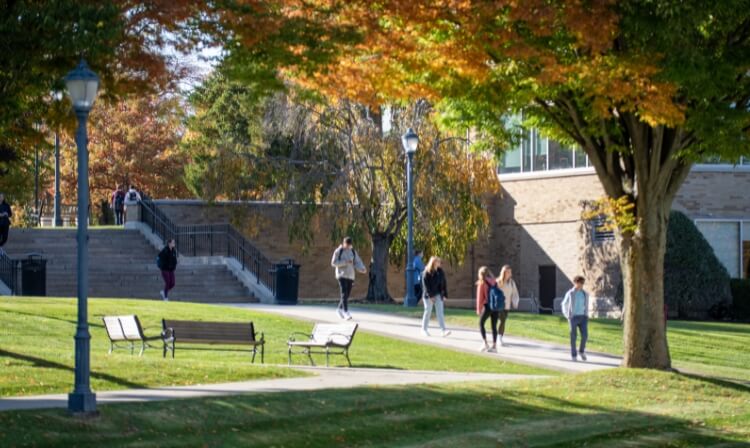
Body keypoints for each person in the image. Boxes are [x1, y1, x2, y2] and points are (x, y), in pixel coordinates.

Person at [331, 237, 366, 320]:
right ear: (344, 243)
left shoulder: (353, 251)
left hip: (350, 275)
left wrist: (362, 268)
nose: (348, 247)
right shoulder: (338, 251)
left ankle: (339, 309)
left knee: (347, 294)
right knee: (343, 292)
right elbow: (333, 263)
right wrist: (345, 262)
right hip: (341, 275)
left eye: (349, 245)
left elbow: (357, 262)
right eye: (347, 245)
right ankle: (346, 312)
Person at [561, 275, 589, 362]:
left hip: (583, 317)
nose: (581, 285)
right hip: (573, 318)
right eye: (579, 283)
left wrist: (586, 314)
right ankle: (574, 355)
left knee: (585, 335)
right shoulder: (570, 293)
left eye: (582, 283)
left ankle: (581, 351)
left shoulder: (585, 294)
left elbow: (586, 305)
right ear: (575, 283)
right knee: (573, 337)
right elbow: (563, 304)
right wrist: (567, 315)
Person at [421, 256, 451, 337]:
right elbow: (426, 286)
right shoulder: (426, 272)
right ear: (433, 263)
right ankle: (424, 329)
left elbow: (444, 283)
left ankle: (443, 330)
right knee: (428, 311)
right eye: (438, 262)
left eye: (439, 262)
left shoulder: (440, 271)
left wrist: (445, 294)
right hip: (428, 295)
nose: (439, 263)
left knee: (440, 312)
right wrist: (430, 296)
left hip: (438, 294)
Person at [476, 266, 500, 352]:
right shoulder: (495, 281)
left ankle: (485, 343)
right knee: (494, 326)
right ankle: (494, 346)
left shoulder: (482, 283)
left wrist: (478, 309)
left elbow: (480, 298)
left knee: (481, 323)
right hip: (496, 306)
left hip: (488, 306)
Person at [496, 265, 520, 346]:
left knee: (503, 321)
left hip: (507, 305)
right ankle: (499, 338)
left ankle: (499, 337)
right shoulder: (498, 282)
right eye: (508, 272)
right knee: (502, 320)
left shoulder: (512, 283)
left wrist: (515, 302)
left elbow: (515, 294)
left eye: (510, 272)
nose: (510, 274)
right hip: (498, 305)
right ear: (504, 272)